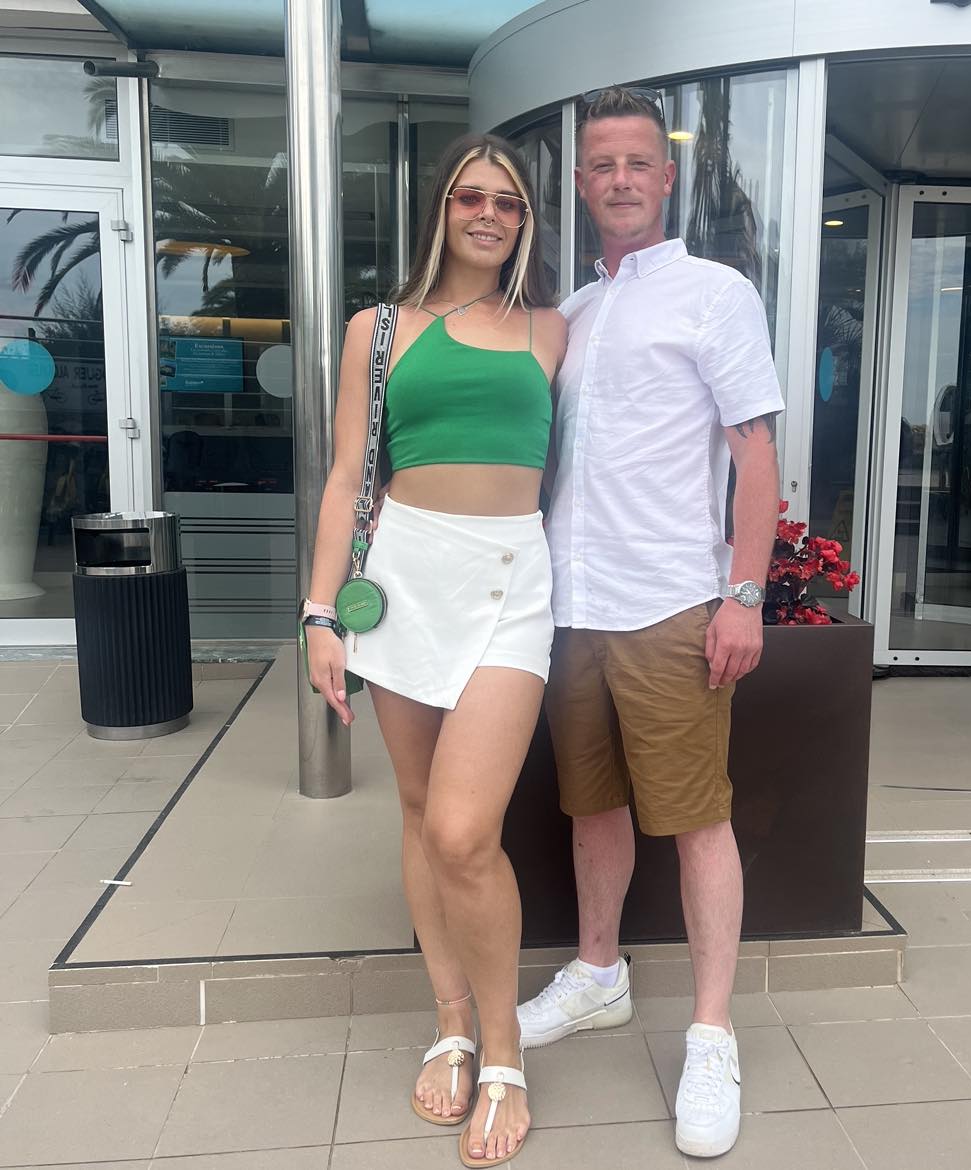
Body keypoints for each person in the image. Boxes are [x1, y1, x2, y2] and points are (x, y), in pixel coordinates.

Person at [517, 87, 783, 1159]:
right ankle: (599, 973)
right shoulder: (570, 314)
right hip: (572, 605)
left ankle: (712, 1035)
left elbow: (756, 454)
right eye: (602, 165)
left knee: (697, 819)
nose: (620, 179)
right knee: (593, 807)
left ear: (666, 178)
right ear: (581, 186)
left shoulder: (716, 294)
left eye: (637, 162)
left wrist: (745, 594)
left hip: (672, 602)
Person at [304, 132, 566, 1168]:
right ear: (442, 210)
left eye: (508, 201)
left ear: (526, 219)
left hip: (513, 587)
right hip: (405, 581)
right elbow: (346, 478)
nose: (489, 214)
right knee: (419, 812)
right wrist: (320, 614)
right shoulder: (378, 329)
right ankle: (453, 1022)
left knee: (464, 829)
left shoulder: (553, 329)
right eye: (471, 197)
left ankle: (504, 1050)